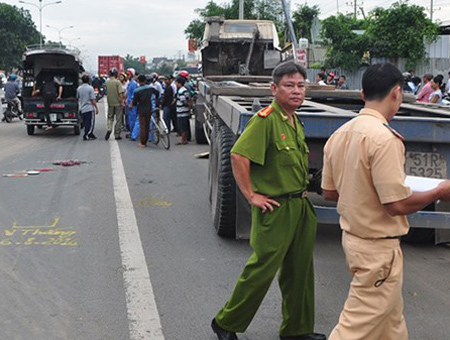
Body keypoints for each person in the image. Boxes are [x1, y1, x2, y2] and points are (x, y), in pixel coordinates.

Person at [321, 63, 450, 340]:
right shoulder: (384, 138)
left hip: (357, 240)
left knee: (391, 326)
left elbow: (329, 193)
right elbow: (396, 206)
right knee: (353, 329)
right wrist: (439, 192)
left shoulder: (338, 135)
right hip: (377, 249)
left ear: (362, 93)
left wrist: (361, 191)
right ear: (396, 93)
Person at [211, 61, 325, 340]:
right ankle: (225, 322)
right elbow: (239, 156)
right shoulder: (266, 120)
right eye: (289, 85)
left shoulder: (294, 119)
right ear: (274, 89)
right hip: (276, 208)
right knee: (261, 269)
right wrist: (251, 195)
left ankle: (297, 330)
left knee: (300, 270)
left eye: (301, 85)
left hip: (299, 205)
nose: (297, 91)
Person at [130, 75, 157, 148]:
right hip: (149, 108)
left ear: (138, 81)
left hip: (141, 109)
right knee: (147, 125)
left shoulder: (137, 90)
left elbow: (135, 102)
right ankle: (147, 139)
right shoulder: (150, 88)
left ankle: (143, 142)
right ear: (145, 81)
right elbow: (157, 94)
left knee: (142, 126)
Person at [77, 74, 99, 140]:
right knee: (90, 122)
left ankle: (89, 133)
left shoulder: (79, 88)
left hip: (82, 108)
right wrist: (96, 108)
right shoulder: (90, 88)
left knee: (85, 122)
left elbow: (77, 97)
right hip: (89, 108)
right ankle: (87, 134)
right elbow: (93, 99)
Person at [105, 67, 125, 140]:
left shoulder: (107, 82)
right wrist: (122, 101)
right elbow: (120, 93)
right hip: (118, 103)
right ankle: (117, 134)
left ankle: (109, 128)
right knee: (118, 119)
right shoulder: (117, 82)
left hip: (110, 103)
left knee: (110, 117)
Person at [175, 77, 191, 145]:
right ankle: (185, 139)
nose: (176, 84)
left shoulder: (181, 91)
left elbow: (183, 101)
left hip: (181, 111)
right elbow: (188, 99)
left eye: (176, 82)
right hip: (185, 111)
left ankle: (183, 140)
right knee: (185, 126)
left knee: (182, 127)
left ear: (179, 83)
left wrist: (187, 105)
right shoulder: (185, 90)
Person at [126, 68, 138, 135]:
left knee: (132, 119)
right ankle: (131, 132)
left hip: (132, 105)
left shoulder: (133, 83)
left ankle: (133, 133)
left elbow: (134, 94)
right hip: (129, 103)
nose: (127, 76)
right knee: (130, 119)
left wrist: (131, 103)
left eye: (128, 74)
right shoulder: (130, 83)